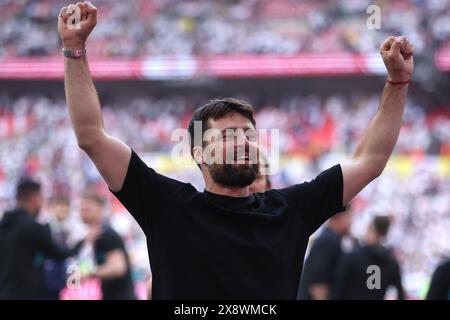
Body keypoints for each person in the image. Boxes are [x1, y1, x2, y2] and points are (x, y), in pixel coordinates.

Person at [58, 1, 414, 299]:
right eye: (227, 136)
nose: (243, 142)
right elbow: (92, 136)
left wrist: (397, 83)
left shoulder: (289, 211)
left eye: (249, 134)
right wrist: (75, 51)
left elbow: (370, 161)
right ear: (198, 153)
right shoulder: (167, 206)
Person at [0, 179, 83, 299]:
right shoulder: (33, 227)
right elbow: (59, 253)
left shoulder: (3, 225)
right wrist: (83, 242)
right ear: (34, 199)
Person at [79, 191, 136, 300]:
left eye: (87, 209)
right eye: (81, 209)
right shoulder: (98, 234)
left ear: (100, 209)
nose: (83, 213)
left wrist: (87, 273)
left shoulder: (105, 235)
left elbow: (118, 267)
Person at [331, 216, 405, 300]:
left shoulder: (352, 257)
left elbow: (338, 290)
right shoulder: (392, 263)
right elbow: (400, 294)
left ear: (371, 230)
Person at [297, 207, 353, 300]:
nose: (351, 222)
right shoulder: (329, 240)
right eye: (349, 217)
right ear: (339, 217)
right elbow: (318, 282)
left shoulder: (331, 238)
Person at [42, 195, 75, 299]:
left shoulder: (73, 229)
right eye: (59, 206)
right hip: (48, 276)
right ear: (52, 208)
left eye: (65, 207)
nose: (62, 209)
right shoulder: (44, 228)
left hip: (66, 274)